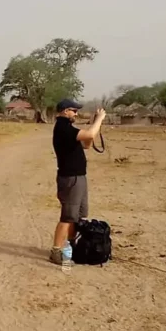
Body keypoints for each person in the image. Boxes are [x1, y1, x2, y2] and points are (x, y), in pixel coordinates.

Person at [50, 99, 106, 265]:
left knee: (78, 216)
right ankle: (56, 252)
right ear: (65, 111)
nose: (76, 113)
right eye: (74, 111)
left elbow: (87, 144)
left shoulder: (68, 128)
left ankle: (70, 246)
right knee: (68, 216)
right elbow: (89, 135)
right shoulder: (62, 127)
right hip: (70, 178)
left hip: (79, 177)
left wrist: (93, 125)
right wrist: (99, 120)